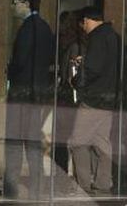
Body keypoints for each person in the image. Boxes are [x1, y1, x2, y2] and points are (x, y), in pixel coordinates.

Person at [3, 0, 54, 199]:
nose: (12, 6)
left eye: (15, 2)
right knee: (33, 144)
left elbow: (20, 61)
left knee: (14, 143)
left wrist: (10, 69)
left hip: (22, 93)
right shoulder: (44, 27)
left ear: (25, 3)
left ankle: (11, 190)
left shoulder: (27, 29)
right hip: (38, 94)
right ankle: (36, 190)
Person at [68, 6, 119, 195]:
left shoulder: (98, 36)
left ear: (87, 20)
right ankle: (104, 183)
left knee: (77, 142)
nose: (83, 29)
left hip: (93, 98)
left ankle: (82, 184)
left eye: (83, 24)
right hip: (109, 98)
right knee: (101, 142)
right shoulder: (114, 36)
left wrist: (77, 79)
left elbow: (93, 69)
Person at [54, 11, 86, 180]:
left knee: (62, 137)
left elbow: (69, 73)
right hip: (69, 96)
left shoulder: (70, 45)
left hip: (67, 96)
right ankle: (65, 173)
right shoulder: (76, 43)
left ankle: (62, 174)